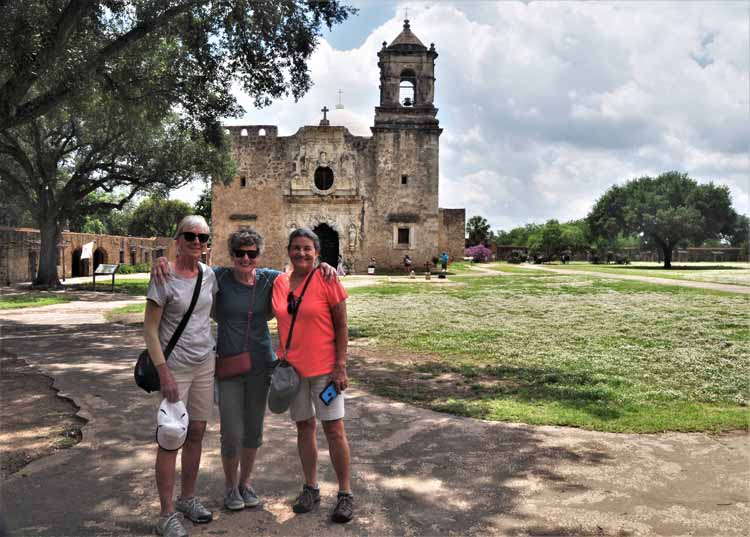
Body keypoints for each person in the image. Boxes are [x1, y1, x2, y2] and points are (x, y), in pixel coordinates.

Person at [151, 230, 338, 515]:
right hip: (227, 363)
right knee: (232, 431)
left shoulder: (270, 279)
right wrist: (161, 259)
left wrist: (324, 265)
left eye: (251, 253)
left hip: (261, 364)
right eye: (239, 253)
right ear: (232, 255)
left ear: (259, 255)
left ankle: (245, 482)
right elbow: (188, 265)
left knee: (253, 429)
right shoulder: (218, 278)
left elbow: (301, 269)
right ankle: (230, 486)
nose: (245, 258)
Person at [271, 228, 354, 523]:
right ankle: (311, 487)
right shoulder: (280, 282)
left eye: (307, 248)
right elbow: (244, 271)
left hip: (325, 371)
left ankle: (345, 494)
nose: (301, 253)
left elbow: (342, 326)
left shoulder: (328, 279)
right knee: (304, 428)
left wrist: (340, 365)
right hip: (294, 372)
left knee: (334, 430)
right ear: (288, 250)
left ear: (317, 252)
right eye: (296, 248)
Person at [143, 215, 218, 537]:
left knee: (197, 431)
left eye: (203, 237)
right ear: (178, 240)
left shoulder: (209, 275)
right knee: (172, 436)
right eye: (190, 236)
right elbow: (149, 328)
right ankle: (166, 513)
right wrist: (164, 373)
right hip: (175, 366)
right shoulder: (164, 277)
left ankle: (187, 499)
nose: (197, 242)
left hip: (204, 363)